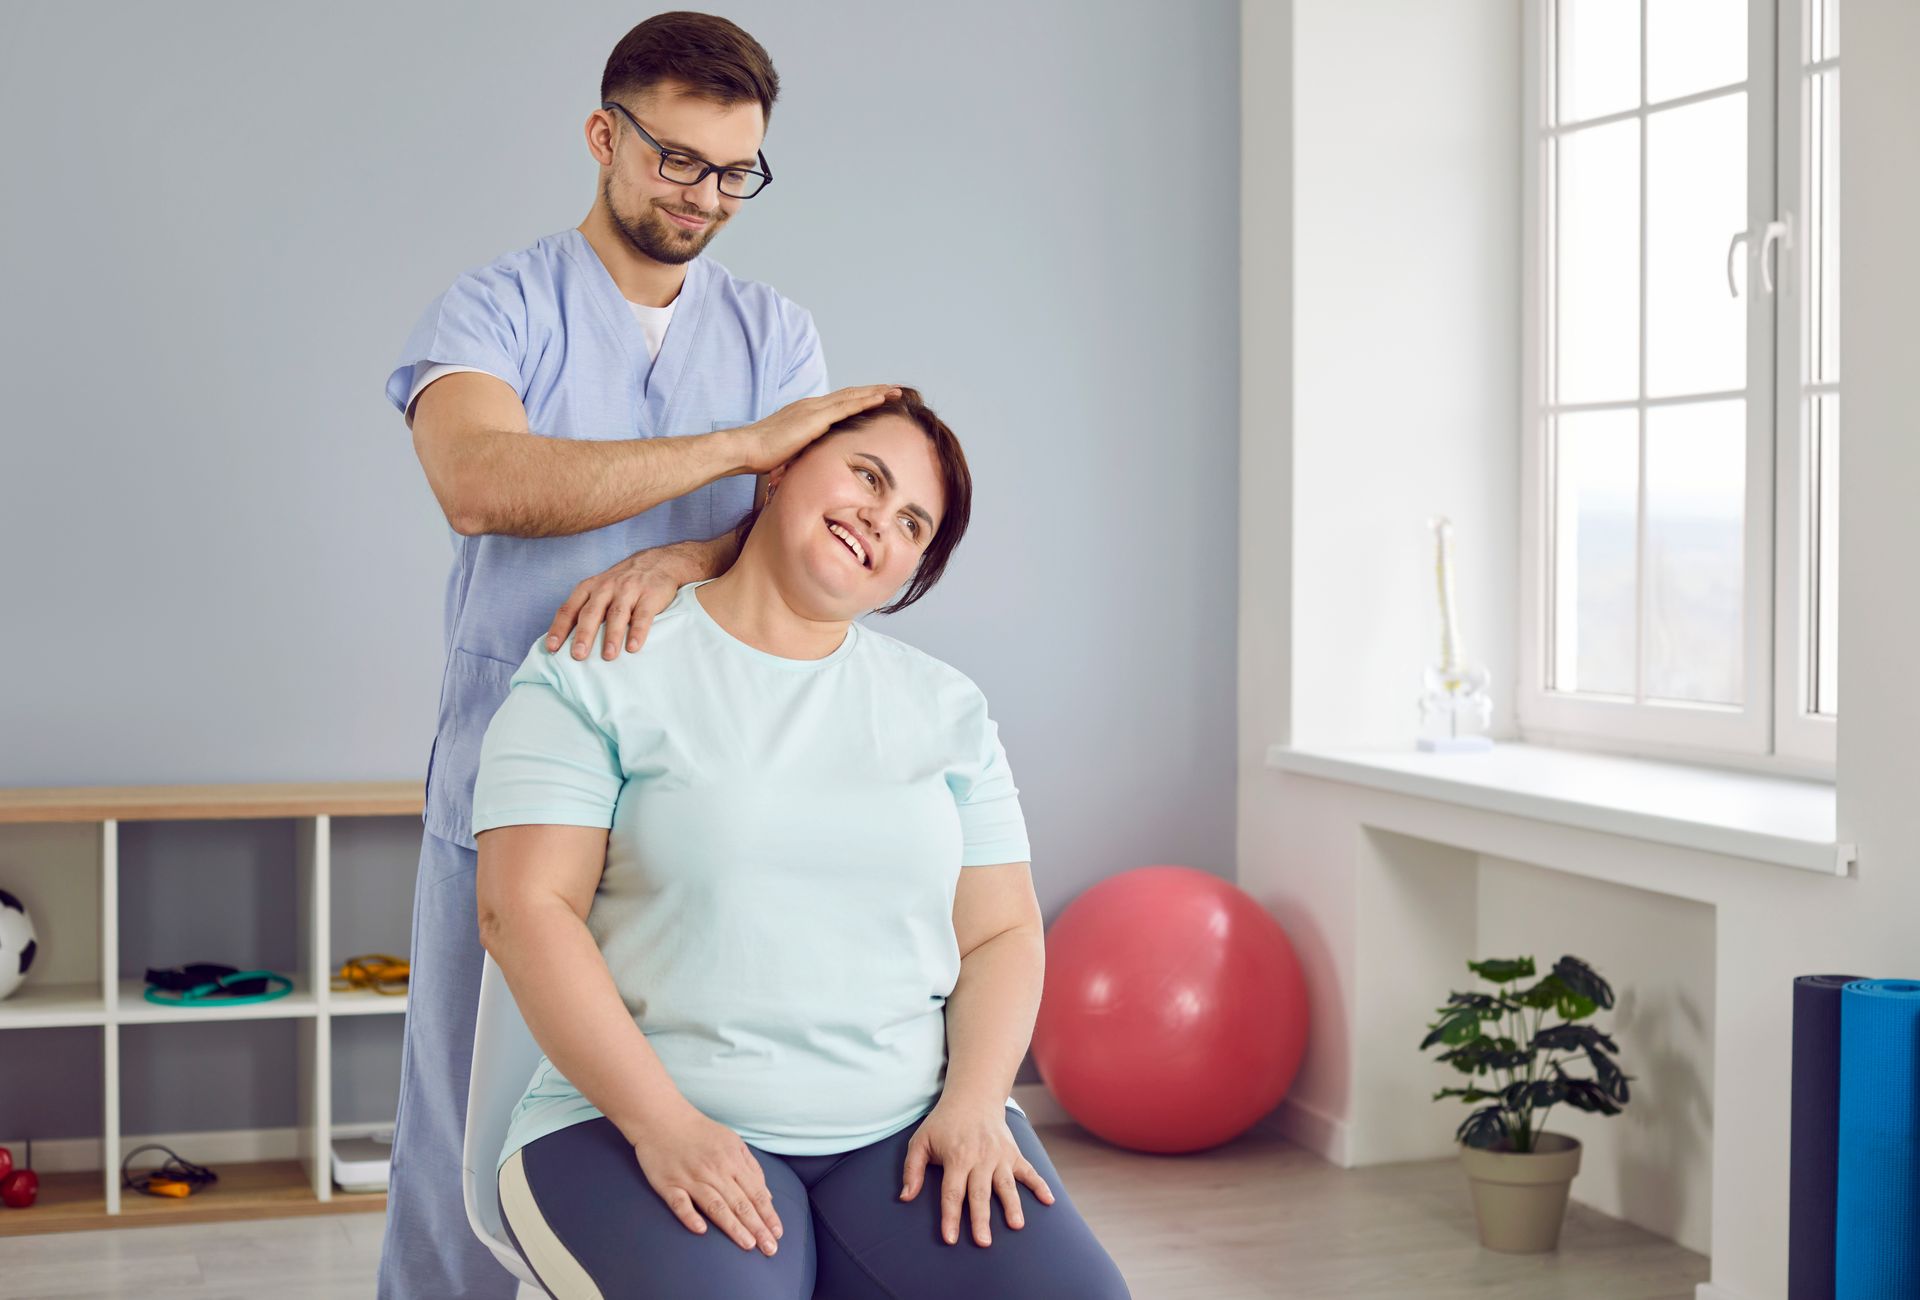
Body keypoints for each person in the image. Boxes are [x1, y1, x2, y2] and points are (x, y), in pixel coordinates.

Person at [377, 14, 893, 1297]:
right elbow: (478, 477)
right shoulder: (500, 305)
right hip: (517, 773)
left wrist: (678, 556)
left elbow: (807, 543)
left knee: (682, 1093)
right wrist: (736, 451)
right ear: (604, 136)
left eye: (736, 173)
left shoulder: (775, 329)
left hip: (706, 781)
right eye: (678, 162)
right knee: (465, 1117)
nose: (706, 198)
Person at [471, 389, 1132, 1299]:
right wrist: (663, 1125)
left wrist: (977, 1104)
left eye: (913, 523)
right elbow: (524, 912)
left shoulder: (947, 710)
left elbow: (1002, 934)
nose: (879, 519)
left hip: (901, 1132)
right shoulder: (606, 661)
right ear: (779, 468)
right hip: (625, 1124)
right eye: (868, 475)